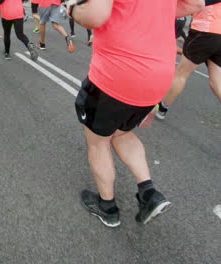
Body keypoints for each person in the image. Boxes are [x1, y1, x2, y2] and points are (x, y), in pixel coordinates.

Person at [69, 0, 204, 227]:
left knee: (98, 141)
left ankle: (107, 206)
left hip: (118, 75)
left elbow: (95, 16)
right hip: (159, 76)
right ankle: (148, 193)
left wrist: (72, 8)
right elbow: (196, 3)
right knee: (121, 134)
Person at [157, 1, 221, 120]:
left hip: (205, 31)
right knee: (217, 81)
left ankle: (162, 109)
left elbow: (194, 4)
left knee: (181, 74)